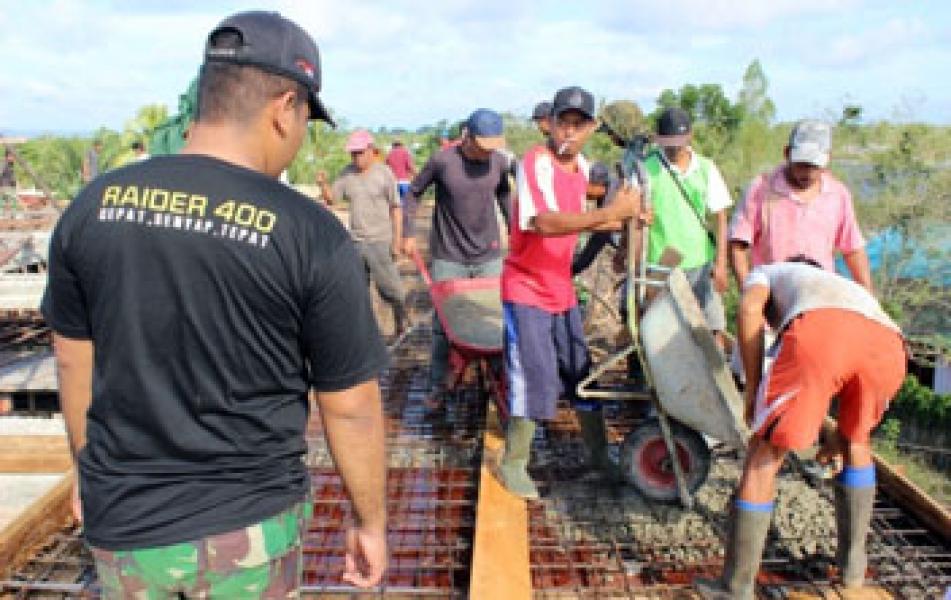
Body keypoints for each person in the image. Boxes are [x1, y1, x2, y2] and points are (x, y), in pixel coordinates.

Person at [42, 11, 388, 597]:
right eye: (306, 117)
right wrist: (370, 522)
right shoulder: (308, 232)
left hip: (125, 529)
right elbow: (350, 405)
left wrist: (88, 470)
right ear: (284, 108)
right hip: (247, 535)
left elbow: (76, 362)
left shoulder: (93, 206)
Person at [695, 258, 905, 599]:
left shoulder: (767, 272)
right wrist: (834, 441)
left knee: (765, 451)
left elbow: (749, 311)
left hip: (822, 335)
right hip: (889, 344)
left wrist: (753, 388)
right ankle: (852, 573)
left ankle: (735, 589)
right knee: (857, 443)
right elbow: (852, 362)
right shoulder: (837, 286)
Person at [497, 86, 640, 499]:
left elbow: (597, 213)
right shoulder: (534, 163)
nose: (569, 133)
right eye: (564, 123)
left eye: (579, 125)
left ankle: (598, 455)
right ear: (550, 123)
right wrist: (610, 215)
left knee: (581, 370)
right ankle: (514, 463)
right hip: (526, 287)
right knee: (535, 373)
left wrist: (625, 216)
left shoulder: (583, 167)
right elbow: (543, 222)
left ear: (591, 128)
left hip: (559, 287)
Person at [403, 108, 512, 409]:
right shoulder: (443, 161)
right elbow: (413, 193)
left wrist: (514, 228)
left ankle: (500, 379)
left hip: (488, 253)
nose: (486, 154)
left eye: (492, 148)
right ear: (468, 137)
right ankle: (439, 384)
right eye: (481, 147)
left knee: (495, 321)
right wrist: (407, 232)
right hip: (449, 255)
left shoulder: (499, 163)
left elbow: (503, 194)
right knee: (444, 327)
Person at [729, 119, 872, 290]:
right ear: (787, 153)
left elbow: (853, 249)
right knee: (750, 311)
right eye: (801, 165)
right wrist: (747, 289)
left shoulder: (838, 194)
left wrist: (868, 294)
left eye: (814, 166)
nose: (808, 173)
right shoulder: (761, 189)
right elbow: (738, 245)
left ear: (827, 159)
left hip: (819, 288)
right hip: (772, 287)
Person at [641, 107, 732, 348]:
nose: (673, 149)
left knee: (713, 326)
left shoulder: (705, 168)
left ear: (690, 136)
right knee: (661, 329)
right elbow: (633, 214)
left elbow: (720, 217)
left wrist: (721, 264)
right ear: (658, 139)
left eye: (678, 142)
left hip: (700, 262)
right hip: (661, 263)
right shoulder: (646, 169)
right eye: (668, 143)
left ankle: (716, 380)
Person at [318, 129, 409, 336]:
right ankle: (365, 334)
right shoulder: (346, 174)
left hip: (380, 241)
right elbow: (332, 199)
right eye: (353, 153)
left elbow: (396, 208)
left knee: (392, 290)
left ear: (371, 150)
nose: (356, 157)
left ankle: (401, 322)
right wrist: (323, 184)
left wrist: (397, 240)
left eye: (359, 152)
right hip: (356, 242)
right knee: (358, 292)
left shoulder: (384, 174)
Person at [571, 162, 621, 276]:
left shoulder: (611, 197)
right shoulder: (603, 193)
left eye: (586, 186)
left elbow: (600, 237)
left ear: (600, 185)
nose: (584, 191)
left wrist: (577, 267)